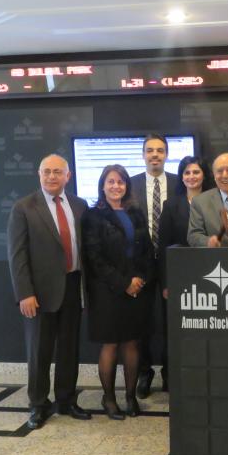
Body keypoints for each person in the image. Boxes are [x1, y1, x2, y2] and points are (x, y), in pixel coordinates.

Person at [6, 154, 90, 429]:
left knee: (69, 349)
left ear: (68, 176)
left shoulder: (79, 205)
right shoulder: (24, 207)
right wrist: (24, 293)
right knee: (39, 352)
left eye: (57, 172)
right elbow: (17, 255)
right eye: (47, 172)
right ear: (39, 175)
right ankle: (38, 404)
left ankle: (65, 400)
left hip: (73, 286)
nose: (52, 176)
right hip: (39, 294)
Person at [82, 164, 155, 419]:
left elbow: (146, 251)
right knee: (111, 343)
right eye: (111, 181)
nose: (116, 186)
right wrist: (124, 283)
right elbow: (95, 258)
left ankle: (130, 396)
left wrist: (139, 279)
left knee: (132, 342)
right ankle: (109, 398)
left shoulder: (135, 213)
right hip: (107, 291)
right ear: (102, 186)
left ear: (127, 186)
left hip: (136, 289)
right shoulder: (93, 216)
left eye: (121, 182)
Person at [130, 134, 178, 398]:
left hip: (173, 262)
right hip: (141, 263)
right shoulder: (130, 184)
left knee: (174, 320)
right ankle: (145, 373)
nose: (155, 155)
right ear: (143, 155)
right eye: (150, 150)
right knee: (142, 322)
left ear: (167, 154)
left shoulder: (179, 183)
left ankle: (171, 372)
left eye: (160, 150)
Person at [158, 156, 214, 298]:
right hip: (180, 271)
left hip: (211, 270)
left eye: (196, 172)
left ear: (204, 175)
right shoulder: (170, 206)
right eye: (187, 173)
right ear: (182, 178)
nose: (191, 176)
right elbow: (163, 246)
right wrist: (166, 283)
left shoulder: (216, 203)